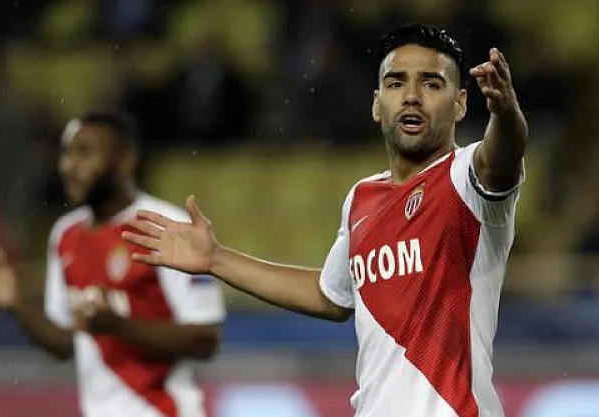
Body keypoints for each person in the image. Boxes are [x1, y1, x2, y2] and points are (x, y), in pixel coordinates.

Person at [124, 24, 528, 417]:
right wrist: (216, 259)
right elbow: (329, 297)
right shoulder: (361, 199)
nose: (411, 96)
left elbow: (502, 156)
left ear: (460, 103)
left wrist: (506, 112)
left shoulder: (466, 180)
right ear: (377, 104)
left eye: (431, 84)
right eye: (396, 83)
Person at [0, 110, 226, 417]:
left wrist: (119, 326)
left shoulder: (164, 226)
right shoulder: (65, 235)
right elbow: (66, 344)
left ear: (125, 159)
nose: (68, 165)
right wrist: (17, 304)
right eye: (66, 153)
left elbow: (205, 340)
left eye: (85, 153)